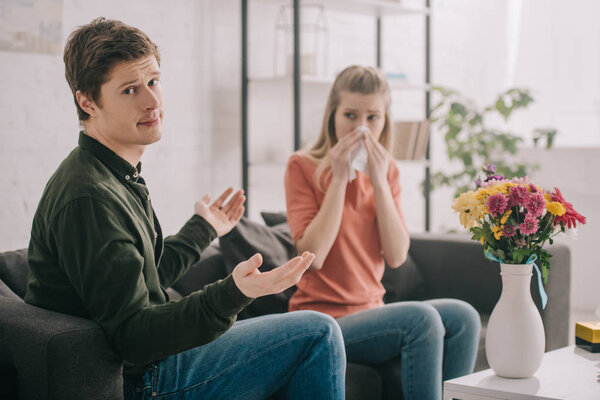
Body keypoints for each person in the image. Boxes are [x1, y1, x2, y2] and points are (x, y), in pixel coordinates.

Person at [25, 17, 346, 400]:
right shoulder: (89, 198)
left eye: (154, 82)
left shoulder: (112, 175)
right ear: (87, 101)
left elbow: (146, 279)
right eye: (130, 90)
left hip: (148, 365)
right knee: (318, 332)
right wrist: (233, 292)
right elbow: (134, 337)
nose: (152, 101)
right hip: (140, 379)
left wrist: (202, 228)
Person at [284, 65, 481, 400]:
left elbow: (397, 254)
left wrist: (378, 180)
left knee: (463, 317)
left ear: (385, 120)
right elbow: (313, 256)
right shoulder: (302, 166)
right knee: (421, 319)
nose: (360, 128)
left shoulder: (386, 170)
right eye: (350, 115)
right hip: (322, 321)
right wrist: (339, 181)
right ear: (333, 115)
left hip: (372, 313)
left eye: (372, 118)